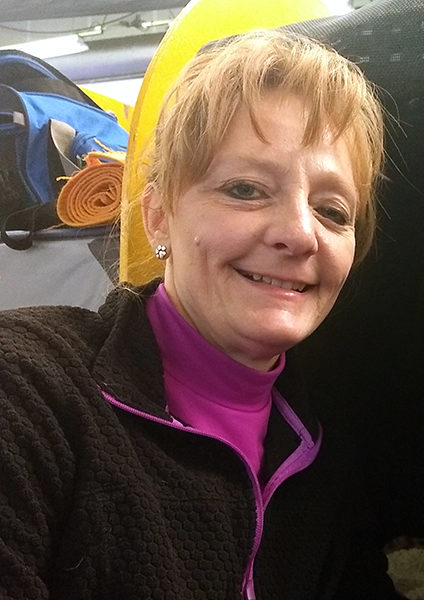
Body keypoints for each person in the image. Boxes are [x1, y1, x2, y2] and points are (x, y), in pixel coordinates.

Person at [0, 29, 401, 599]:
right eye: (245, 189)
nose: (298, 233)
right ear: (159, 214)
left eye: (332, 210)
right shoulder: (28, 392)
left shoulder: (319, 448)